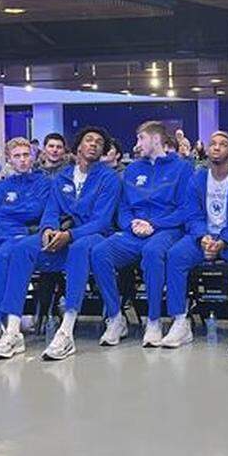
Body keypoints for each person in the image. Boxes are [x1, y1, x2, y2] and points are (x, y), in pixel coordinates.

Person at [0, 127, 119, 362]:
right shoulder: (61, 177)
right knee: (20, 249)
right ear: (78, 147)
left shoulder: (109, 177)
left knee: (79, 250)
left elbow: (102, 221)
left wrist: (70, 235)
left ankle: (66, 331)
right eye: (88, 140)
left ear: (102, 150)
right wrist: (48, 229)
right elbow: (51, 210)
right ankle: (12, 330)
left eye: (99, 142)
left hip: (92, 234)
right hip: (60, 233)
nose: (93, 144)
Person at [90, 121, 194, 347]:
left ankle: (154, 320)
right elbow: (124, 207)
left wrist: (154, 224)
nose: (137, 145)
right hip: (134, 231)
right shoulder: (133, 170)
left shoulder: (182, 168)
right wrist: (132, 225)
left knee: (152, 251)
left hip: (167, 229)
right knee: (100, 252)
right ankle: (116, 318)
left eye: (141, 139)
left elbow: (186, 210)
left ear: (156, 139)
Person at [164, 130, 228, 351]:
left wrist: (224, 240)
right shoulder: (198, 179)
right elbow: (191, 213)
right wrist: (202, 236)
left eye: (222, 144)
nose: (216, 147)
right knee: (175, 255)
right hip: (203, 236)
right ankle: (180, 321)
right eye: (212, 144)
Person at [0, 138, 53, 359]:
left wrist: (7, 211)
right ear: (9, 159)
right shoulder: (1, 186)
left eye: (26, 155)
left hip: (23, 236)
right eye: (17, 156)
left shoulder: (43, 182)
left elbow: (37, 212)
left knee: (1, 257)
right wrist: (19, 212)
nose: (23, 160)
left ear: (33, 157)